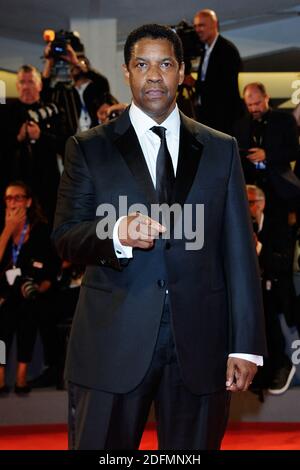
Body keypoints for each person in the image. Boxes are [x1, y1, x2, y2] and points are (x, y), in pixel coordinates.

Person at [53, 23, 266, 450]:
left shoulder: (220, 148)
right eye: (142, 64)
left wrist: (247, 345)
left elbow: (239, 252)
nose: (154, 75)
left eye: (165, 64)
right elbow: (65, 236)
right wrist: (115, 231)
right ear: (127, 72)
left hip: (201, 343)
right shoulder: (89, 147)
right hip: (112, 341)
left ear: (182, 72)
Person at [0, 181, 57, 394]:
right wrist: (7, 231)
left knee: (29, 313)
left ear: (28, 202)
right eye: (8, 198)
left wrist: (44, 283)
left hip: (28, 291)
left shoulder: (40, 228)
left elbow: (50, 262)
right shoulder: (1, 227)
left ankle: (22, 376)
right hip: (3, 292)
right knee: (1, 324)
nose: (12, 202)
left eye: (18, 197)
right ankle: (0, 374)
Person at [246, 185, 297, 395]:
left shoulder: (278, 227)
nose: (246, 208)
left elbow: (283, 263)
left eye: (249, 203)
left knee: (268, 316)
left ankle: (281, 365)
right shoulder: (241, 225)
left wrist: (258, 249)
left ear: (261, 203)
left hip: (276, 288)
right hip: (251, 289)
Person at [5, 65, 64, 227]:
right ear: (17, 86)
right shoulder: (6, 112)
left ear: (39, 85)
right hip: (15, 188)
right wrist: (18, 137)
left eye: (30, 82)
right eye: (22, 82)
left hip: (47, 187)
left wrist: (40, 136)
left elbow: (65, 144)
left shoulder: (53, 110)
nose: (26, 86)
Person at [234, 82, 300, 221]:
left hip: (279, 189)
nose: (254, 109)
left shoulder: (285, 120)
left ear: (266, 98)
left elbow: (294, 151)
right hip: (249, 190)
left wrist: (267, 155)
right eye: (249, 105)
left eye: (257, 103)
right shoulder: (240, 125)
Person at [191, 9, 243, 134]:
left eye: (202, 25)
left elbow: (223, 87)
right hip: (207, 116)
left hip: (223, 118)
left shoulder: (227, 50)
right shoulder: (205, 49)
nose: (198, 29)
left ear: (214, 25)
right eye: (196, 26)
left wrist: (194, 83)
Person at [42, 44, 110, 133]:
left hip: (96, 135)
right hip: (73, 139)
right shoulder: (65, 91)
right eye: (71, 64)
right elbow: (44, 93)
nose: (74, 65)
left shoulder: (96, 87)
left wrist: (75, 61)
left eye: (79, 62)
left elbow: (103, 82)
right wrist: (49, 61)